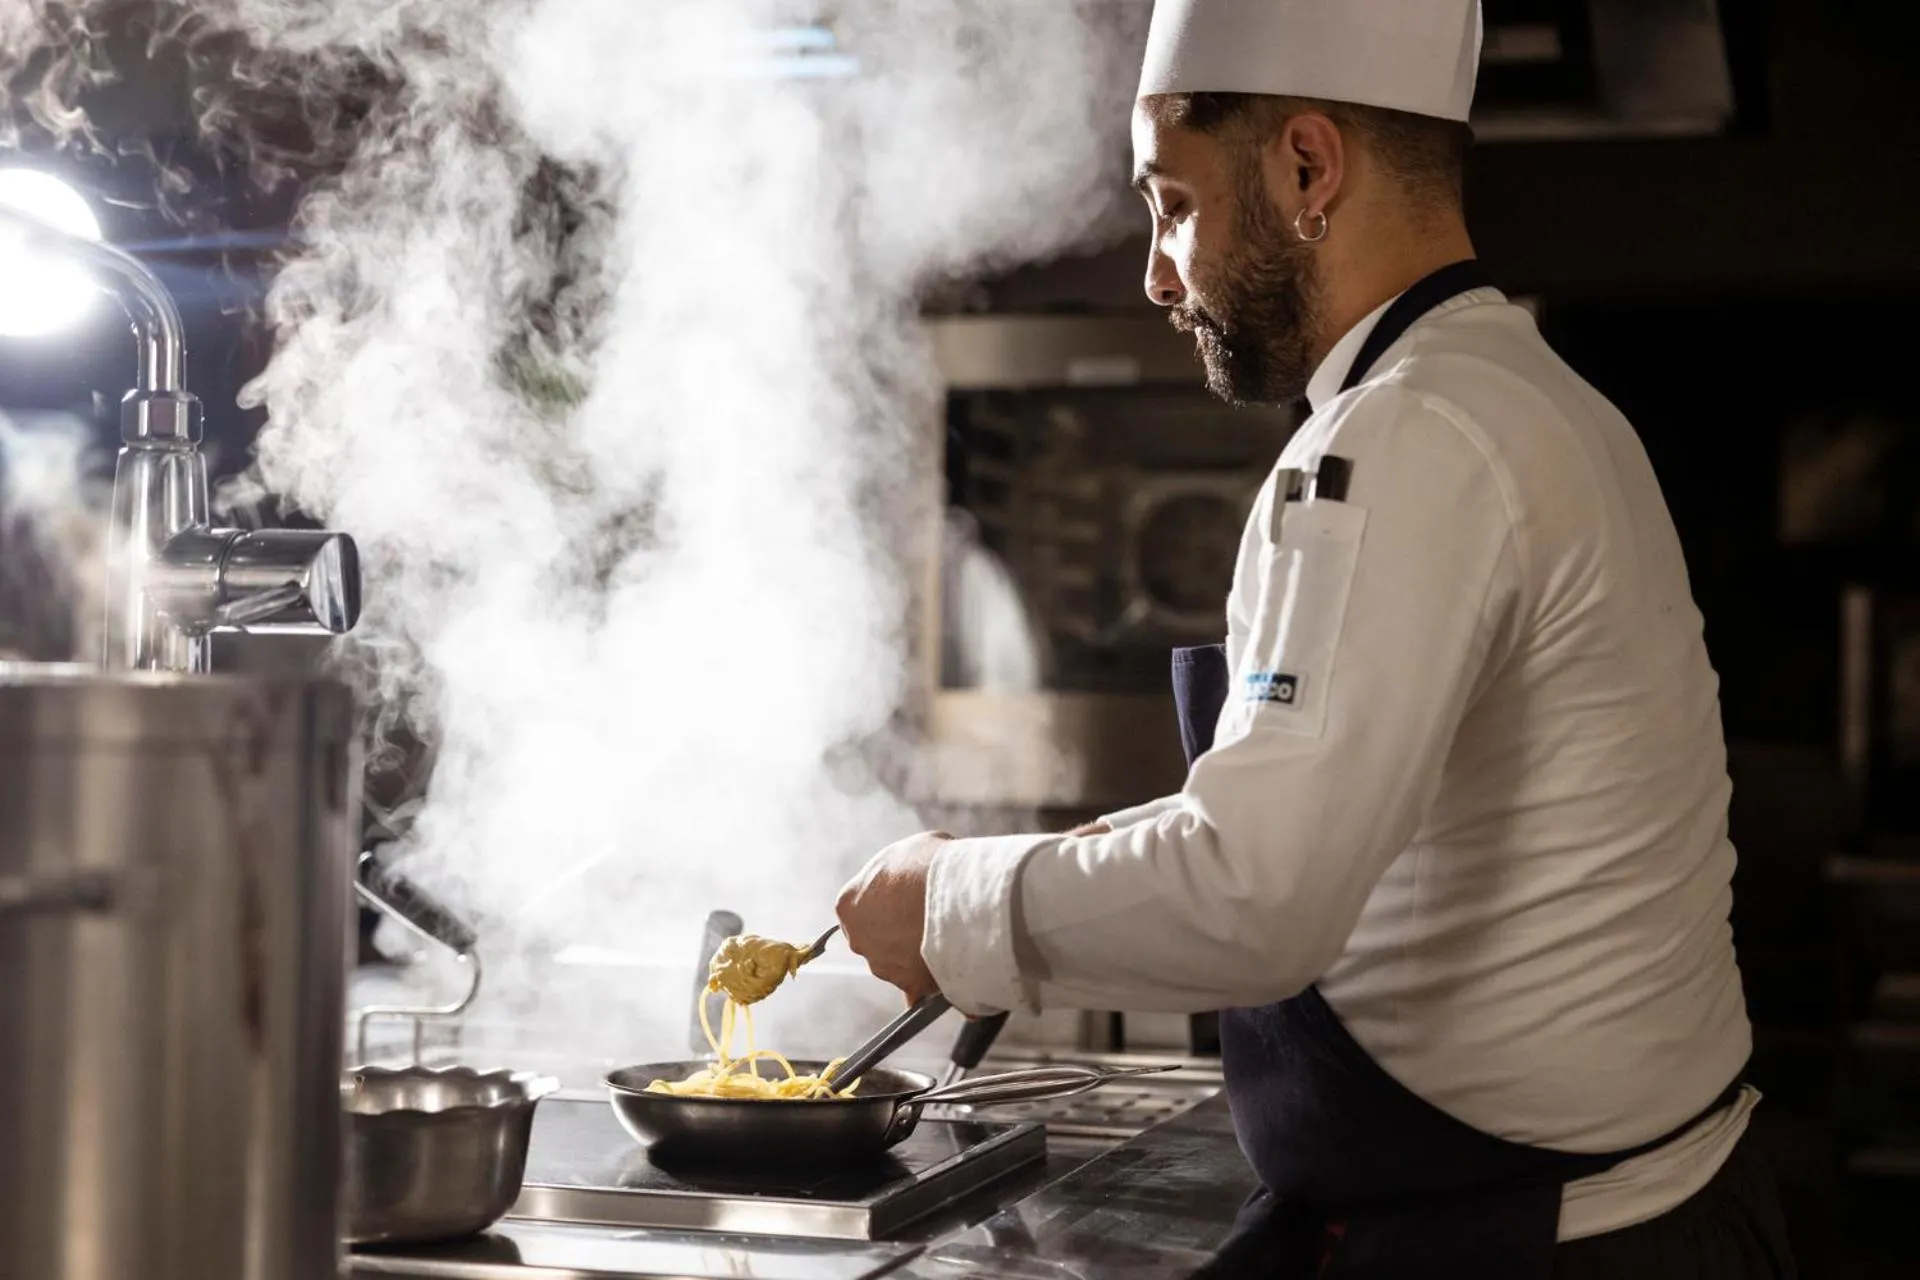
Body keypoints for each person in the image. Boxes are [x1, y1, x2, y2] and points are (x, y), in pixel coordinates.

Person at [836, 1, 1796, 1276]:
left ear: (1305, 165)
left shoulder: (1402, 437)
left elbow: (1256, 896)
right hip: (1623, 1207)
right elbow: (1372, 818)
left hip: (1540, 1244)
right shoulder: (1529, 394)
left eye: (1171, 203)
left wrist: (949, 902)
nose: (1156, 273)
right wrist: (1088, 853)